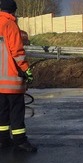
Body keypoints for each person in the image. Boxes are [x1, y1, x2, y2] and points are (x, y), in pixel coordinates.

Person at [0, 0, 37, 152]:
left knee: (2, 112)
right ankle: (20, 141)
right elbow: (17, 52)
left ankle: (3, 140)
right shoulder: (10, 25)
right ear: (13, 11)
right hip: (11, 79)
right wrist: (26, 70)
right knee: (16, 111)